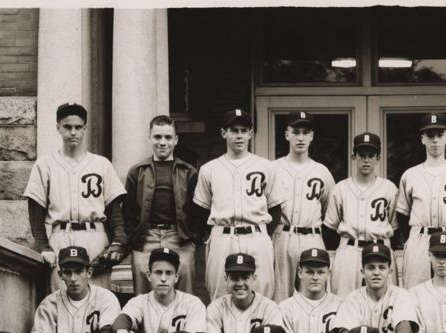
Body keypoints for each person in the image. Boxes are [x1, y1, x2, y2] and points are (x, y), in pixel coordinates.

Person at [23, 102, 127, 291]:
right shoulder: (45, 165)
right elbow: (36, 212)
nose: (73, 132)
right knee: (61, 296)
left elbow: (114, 209)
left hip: (94, 236)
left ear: (85, 128)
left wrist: (118, 240)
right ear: (58, 128)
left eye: (78, 127)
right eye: (67, 127)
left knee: (97, 296)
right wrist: (43, 246)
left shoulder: (101, 164)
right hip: (60, 236)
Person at [192, 108, 281, 300]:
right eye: (234, 130)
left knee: (262, 293)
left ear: (250, 133)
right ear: (224, 133)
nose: (239, 135)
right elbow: (201, 211)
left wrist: (262, 233)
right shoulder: (209, 169)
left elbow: (275, 208)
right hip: (223, 236)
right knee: (219, 294)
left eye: (243, 130)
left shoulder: (266, 166)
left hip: (256, 234)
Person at [124, 115, 200, 295]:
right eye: (157, 137)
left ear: (176, 140)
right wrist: (132, 239)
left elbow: (198, 210)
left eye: (167, 137)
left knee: (184, 290)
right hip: (146, 237)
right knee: (143, 292)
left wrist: (194, 239)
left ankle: (183, 323)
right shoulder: (137, 171)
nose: (162, 142)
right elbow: (128, 210)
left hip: (180, 237)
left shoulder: (188, 171)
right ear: (149, 138)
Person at [394, 113, 446, 288]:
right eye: (430, 135)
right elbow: (402, 214)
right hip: (420, 238)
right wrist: (414, 236)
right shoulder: (411, 175)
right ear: (422, 139)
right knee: (414, 291)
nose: (435, 140)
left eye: (439, 135)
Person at [328, 243, 417, 333]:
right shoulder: (352, 298)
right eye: (371, 268)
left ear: (390, 270)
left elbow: (404, 325)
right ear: (362, 272)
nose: (376, 272)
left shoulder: (401, 296)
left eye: (382, 267)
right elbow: (345, 331)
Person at [271, 111, 335, 302]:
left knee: (315, 294)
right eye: (296, 132)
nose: (300, 138)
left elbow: (328, 209)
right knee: (280, 296)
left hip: (312, 236)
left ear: (312, 136)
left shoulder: (322, 171)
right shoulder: (273, 169)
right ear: (287, 135)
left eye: (305, 132)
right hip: (282, 236)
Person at [323, 132, 398, 296]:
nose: (366, 160)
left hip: (381, 249)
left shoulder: (389, 189)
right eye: (361, 155)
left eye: (371, 155)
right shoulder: (341, 188)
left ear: (378, 158)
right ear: (353, 157)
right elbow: (329, 229)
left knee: (385, 302)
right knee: (344, 301)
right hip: (350, 251)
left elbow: (396, 228)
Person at [278, 247, 344, 333]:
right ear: (300, 272)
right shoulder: (285, 307)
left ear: (328, 274)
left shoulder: (341, 305)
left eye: (320, 272)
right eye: (309, 272)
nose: (315, 277)